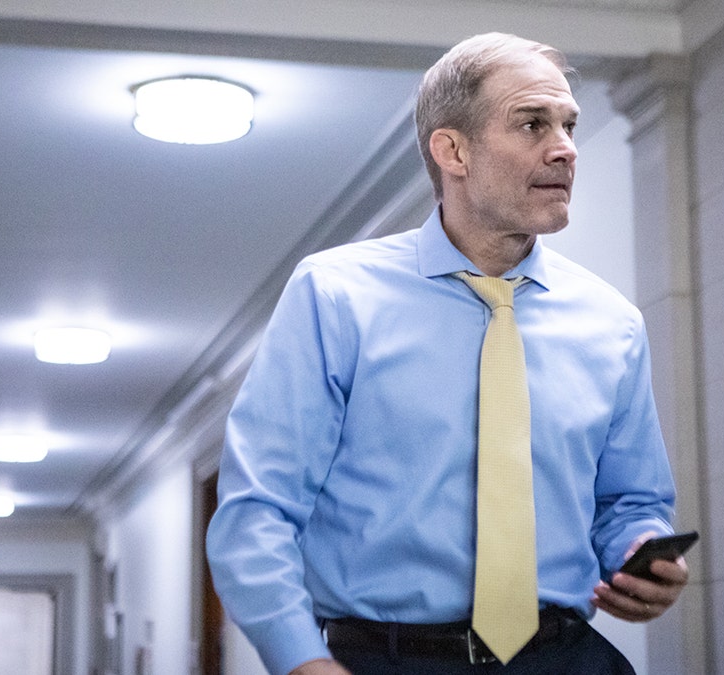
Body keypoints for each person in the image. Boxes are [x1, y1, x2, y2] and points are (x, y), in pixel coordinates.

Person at [205, 32, 688, 675]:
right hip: (382, 659)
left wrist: (644, 553)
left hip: (567, 658)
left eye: (569, 125)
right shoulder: (335, 295)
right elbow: (257, 507)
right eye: (532, 124)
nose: (566, 148)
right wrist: (300, 659)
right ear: (452, 150)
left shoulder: (613, 324)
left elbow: (630, 502)